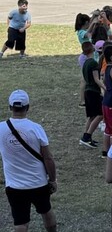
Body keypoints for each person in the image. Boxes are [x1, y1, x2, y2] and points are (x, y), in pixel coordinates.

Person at [0, 90, 58, 232]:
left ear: (10, 107)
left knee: (20, 221)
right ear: (28, 107)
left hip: (14, 185)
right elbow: (48, 158)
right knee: (46, 211)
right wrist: (52, 179)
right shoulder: (36, 128)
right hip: (38, 182)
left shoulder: (1, 129)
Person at [80, 46, 106, 149]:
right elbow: (96, 79)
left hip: (87, 91)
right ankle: (87, 137)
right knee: (100, 114)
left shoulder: (85, 63)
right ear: (93, 50)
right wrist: (105, 88)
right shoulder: (93, 63)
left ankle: (86, 136)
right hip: (93, 91)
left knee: (92, 116)